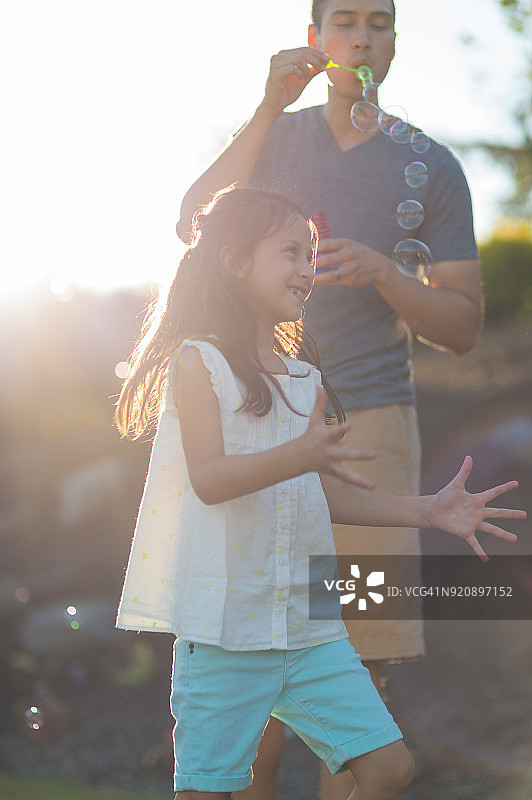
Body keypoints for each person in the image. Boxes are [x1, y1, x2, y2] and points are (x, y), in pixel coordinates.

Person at [116, 187, 522, 800]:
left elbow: (324, 497)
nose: (308, 269)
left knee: (389, 770)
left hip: (309, 632)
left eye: (310, 254)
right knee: (210, 791)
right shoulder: (198, 363)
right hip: (226, 632)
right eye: (290, 252)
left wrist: (428, 510)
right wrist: (297, 455)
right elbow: (210, 478)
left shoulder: (306, 381)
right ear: (234, 260)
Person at [176, 1, 483, 797]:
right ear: (316, 39)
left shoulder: (432, 167)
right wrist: (269, 104)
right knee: (256, 664)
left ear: (393, 43)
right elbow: (191, 221)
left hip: (370, 430)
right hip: (259, 416)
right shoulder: (274, 137)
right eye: (344, 20)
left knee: (359, 667)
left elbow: (462, 326)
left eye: (380, 23)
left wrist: (387, 272)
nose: (363, 36)